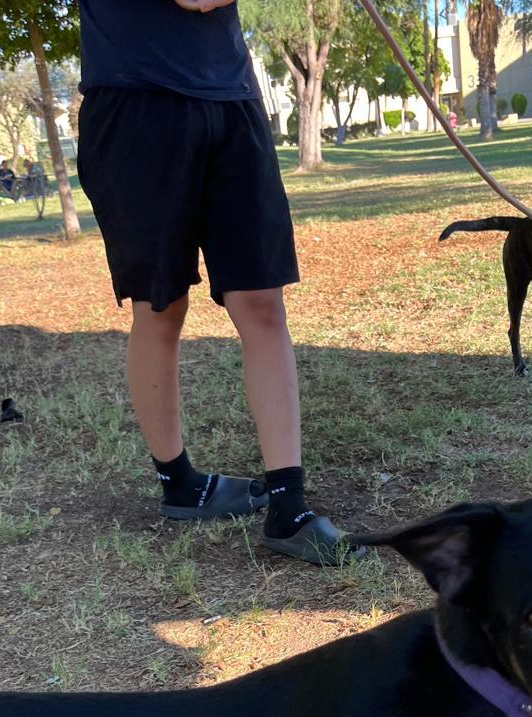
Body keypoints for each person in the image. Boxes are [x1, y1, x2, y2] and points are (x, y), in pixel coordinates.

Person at [76, 0, 356, 565]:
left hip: (231, 95)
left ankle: (288, 505)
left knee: (262, 301)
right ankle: (178, 482)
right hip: (136, 101)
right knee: (160, 306)